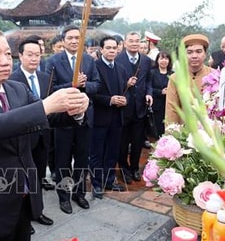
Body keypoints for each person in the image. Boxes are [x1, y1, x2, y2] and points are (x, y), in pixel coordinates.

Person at [0, 28, 89, 241]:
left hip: (22, 197)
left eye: (7, 54)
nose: (5, 61)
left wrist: (76, 109)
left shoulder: (17, 89)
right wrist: (46, 105)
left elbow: (48, 118)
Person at [45, 24, 100, 214]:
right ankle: (64, 197)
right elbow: (50, 89)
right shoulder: (53, 61)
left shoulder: (89, 60)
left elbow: (97, 85)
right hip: (63, 120)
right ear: (63, 40)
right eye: (70, 38)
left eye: (78, 38)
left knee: (82, 160)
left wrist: (85, 86)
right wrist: (73, 84)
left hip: (85, 118)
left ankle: (79, 194)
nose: (75, 41)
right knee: (63, 161)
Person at [9, 38, 55, 232]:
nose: (34, 58)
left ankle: (38, 211)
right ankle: (23, 219)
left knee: (38, 176)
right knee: (23, 179)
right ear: (20, 56)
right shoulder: (12, 80)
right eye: (30, 54)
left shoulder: (45, 77)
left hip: (43, 136)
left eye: (38, 55)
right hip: (23, 139)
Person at [89, 36, 128, 199]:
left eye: (114, 48)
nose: (112, 51)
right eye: (108, 48)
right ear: (101, 49)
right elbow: (91, 94)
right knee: (97, 153)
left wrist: (125, 100)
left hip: (117, 117)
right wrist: (109, 100)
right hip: (100, 117)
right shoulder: (94, 67)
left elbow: (127, 91)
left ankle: (109, 180)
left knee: (113, 151)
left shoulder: (121, 68)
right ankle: (96, 184)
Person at [115, 31, 153, 184]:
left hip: (140, 109)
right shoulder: (117, 59)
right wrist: (126, 84)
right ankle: (123, 168)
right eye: (131, 41)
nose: (134, 43)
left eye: (137, 41)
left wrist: (149, 93)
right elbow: (112, 83)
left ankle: (134, 168)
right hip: (123, 109)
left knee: (137, 142)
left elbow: (149, 81)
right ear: (125, 43)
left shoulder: (146, 60)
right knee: (122, 143)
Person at [165, 34, 213, 125]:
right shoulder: (175, 78)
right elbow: (171, 109)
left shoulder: (215, 76)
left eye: (199, 51)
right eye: (189, 52)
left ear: (205, 54)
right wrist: (171, 135)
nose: (194, 56)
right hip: (184, 132)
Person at [150, 50, 174, 137]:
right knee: (157, 131)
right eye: (161, 58)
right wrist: (161, 92)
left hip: (169, 105)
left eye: (166, 58)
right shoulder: (152, 73)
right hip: (156, 106)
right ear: (157, 60)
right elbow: (149, 88)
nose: (164, 61)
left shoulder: (173, 74)